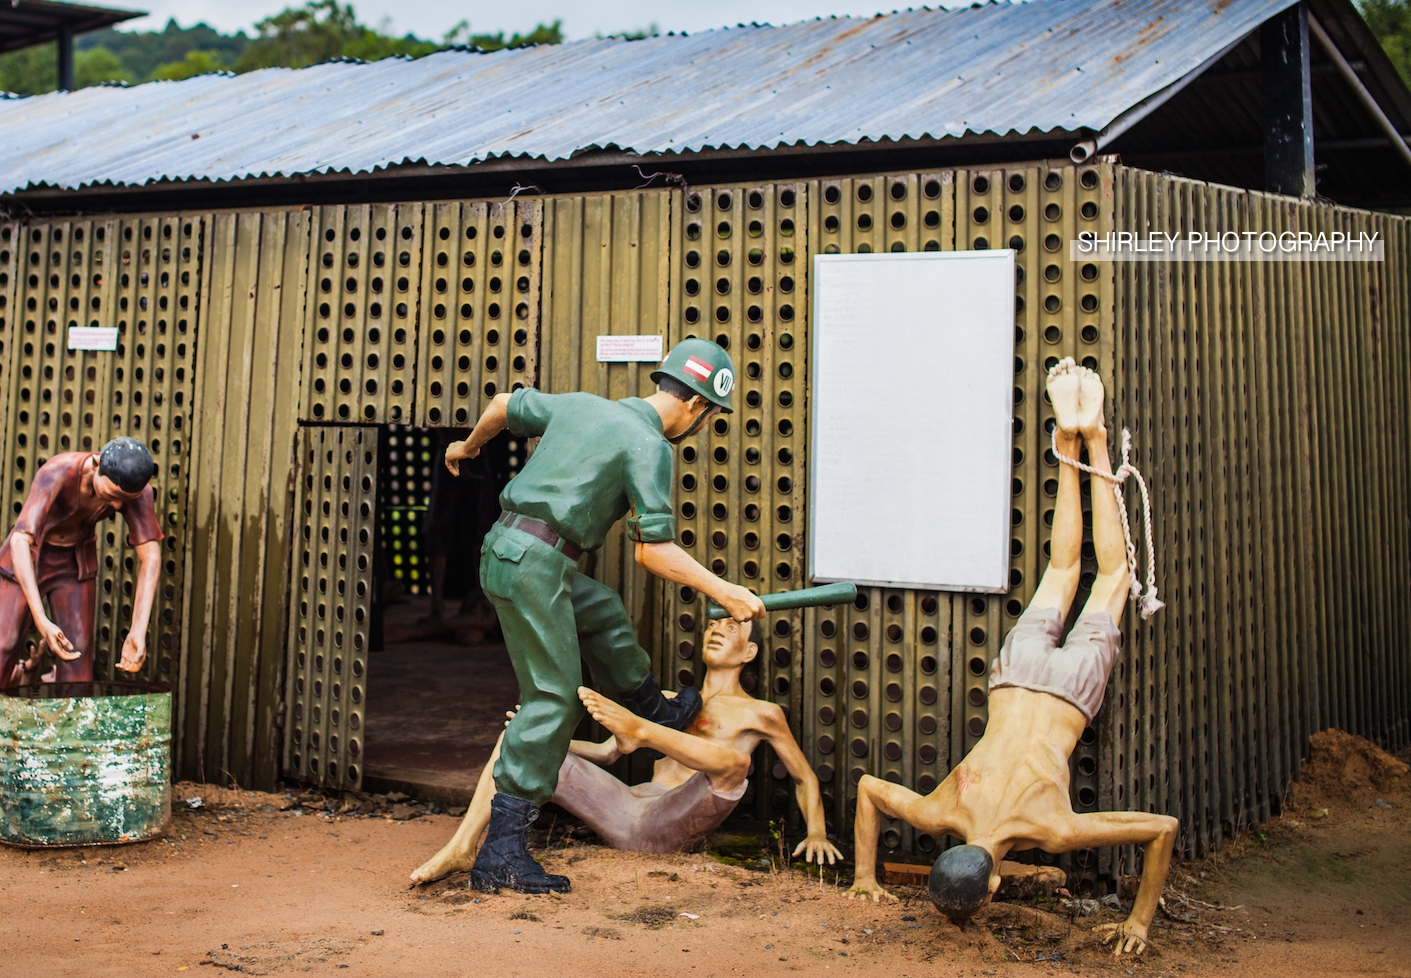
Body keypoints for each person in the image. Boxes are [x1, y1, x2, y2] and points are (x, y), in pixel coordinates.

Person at [843, 359, 1176, 957]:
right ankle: (1070, 436)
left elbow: (1161, 829)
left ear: (993, 881)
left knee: (1113, 577)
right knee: (1063, 569)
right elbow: (869, 788)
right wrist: (863, 875)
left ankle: (1094, 440)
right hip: (1015, 681)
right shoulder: (942, 806)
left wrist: (1139, 922)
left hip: (1069, 694)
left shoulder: (1051, 830)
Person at [440, 339, 765, 895]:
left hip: (513, 549)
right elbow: (652, 551)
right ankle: (501, 854)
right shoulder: (651, 444)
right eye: (709, 417)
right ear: (698, 408)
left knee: (602, 608)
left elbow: (499, 404)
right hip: (535, 566)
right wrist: (725, 589)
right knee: (554, 697)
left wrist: (467, 449)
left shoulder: (581, 404)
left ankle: (651, 708)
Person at [411, 616, 841, 884]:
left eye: (733, 628)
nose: (718, 630)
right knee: (517, 740)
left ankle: (640, 732)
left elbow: (803, 776)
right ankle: (462, 845)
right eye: (714, 624)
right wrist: (538, 737)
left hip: (672, 823)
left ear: (749, 651)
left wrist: (817, 832)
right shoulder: (670, 701)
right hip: (624, 813)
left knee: (736, 763)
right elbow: (605, 754)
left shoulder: (762, 713)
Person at [0, 436, 162, 811]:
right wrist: (41, 619)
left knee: (78, 664)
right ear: (96, 464)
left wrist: (137, 631)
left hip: (74, 564)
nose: (113, 506)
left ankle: (69, 773)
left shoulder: (136, 492)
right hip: (28, 559)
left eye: (121, 502)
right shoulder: (58, 472)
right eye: (110, 495)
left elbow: (151, 556)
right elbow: (20, 540)